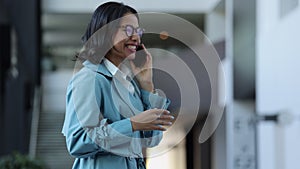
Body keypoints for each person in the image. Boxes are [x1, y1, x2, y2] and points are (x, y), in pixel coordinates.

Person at [62, 2, 173, 169]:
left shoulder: (129, 84)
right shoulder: (89, 79)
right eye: (128, 30)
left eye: (138, 31)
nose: (136, 37)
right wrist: (132, 124)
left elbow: (151, 140)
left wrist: (147, 85)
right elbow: (77, 142)